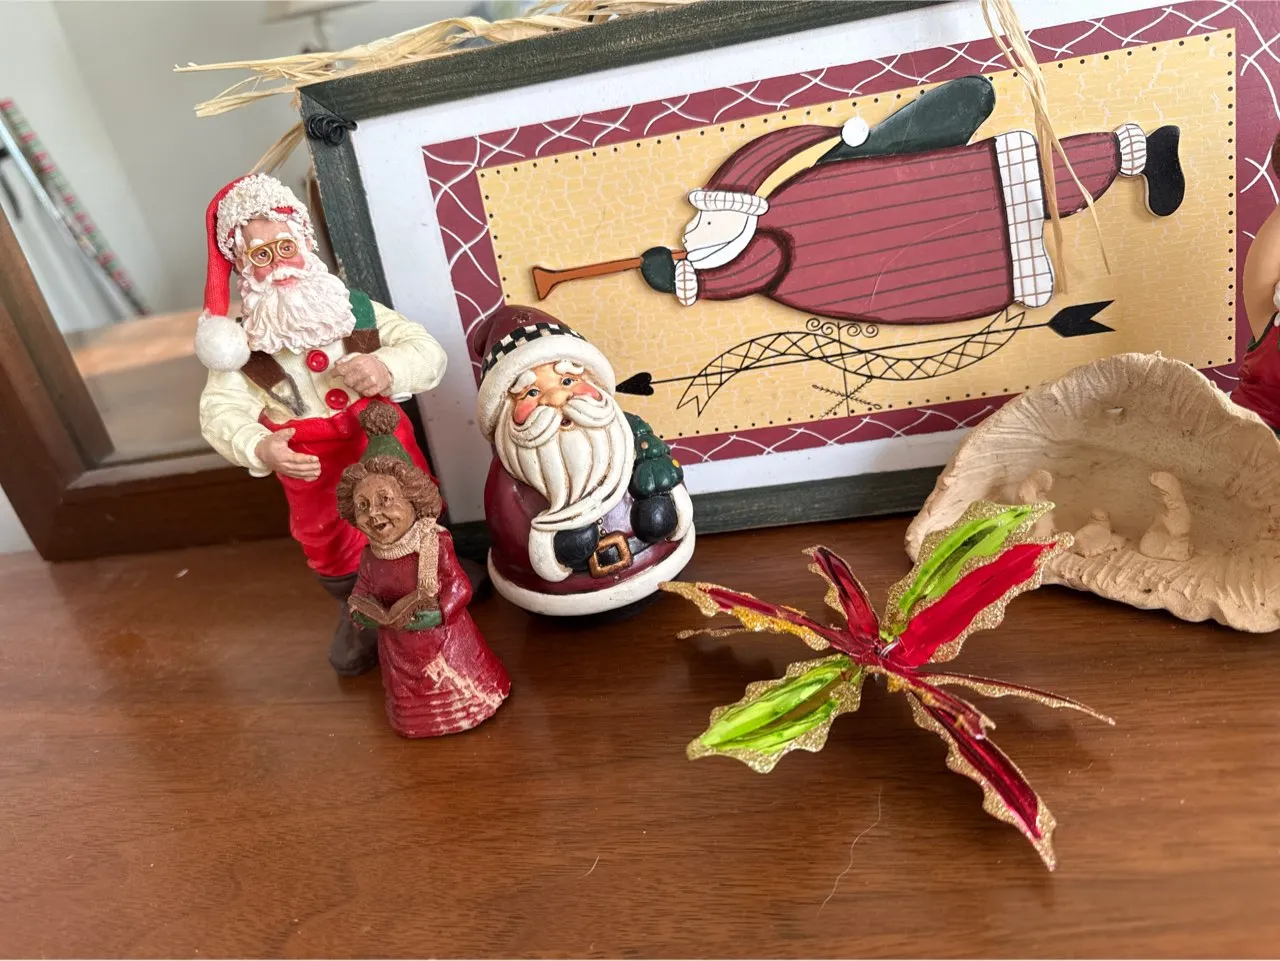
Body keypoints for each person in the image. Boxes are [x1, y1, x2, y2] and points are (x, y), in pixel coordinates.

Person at [194, 173, 448, 676]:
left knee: (413, 504)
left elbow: (426, 350)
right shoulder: (241, 346)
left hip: (379, 436)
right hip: (307, 458)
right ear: (243, 267)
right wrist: (260, 446)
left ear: (305, 247)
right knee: (327, 536)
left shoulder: (356, 310)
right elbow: (218, 409)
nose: (277, 265)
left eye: (285, 247)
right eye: (261, 255)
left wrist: (386, 368)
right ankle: (359, 612)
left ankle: (437, 576)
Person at [471, 305, 695, 616]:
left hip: (654, 562)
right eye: (532, 393)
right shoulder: (509, 474)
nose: (555, 399)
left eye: (566, 382)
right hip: (562, 598)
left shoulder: (628, 434)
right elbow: (509, 526)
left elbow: (662, 470)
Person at [338, 403, 509, 738]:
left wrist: (439, 613)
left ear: (413, 501)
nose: (374, 514)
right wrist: (361, 611)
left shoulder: (433, 543)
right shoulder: (372, 556)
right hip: (399, 648)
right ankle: (416, 720)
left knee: (459, 682)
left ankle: (470, 704)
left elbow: (459, 585)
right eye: (363, 506)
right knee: (410, 697)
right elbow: (363, 590)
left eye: (385, 500)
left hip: (444, 640)